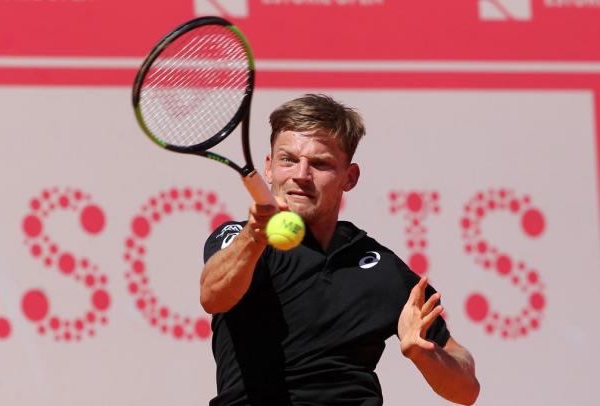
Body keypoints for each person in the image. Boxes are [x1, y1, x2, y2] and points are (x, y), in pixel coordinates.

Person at [200, 94, 480, 405]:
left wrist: (424, 355)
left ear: (350, 177)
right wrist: (254, 236)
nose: (301, 175)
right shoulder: (240, 241)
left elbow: (466, 387)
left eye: (320, 164)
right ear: (269, 167)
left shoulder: (381, 269)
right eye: (288, 159)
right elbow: (213, 296)